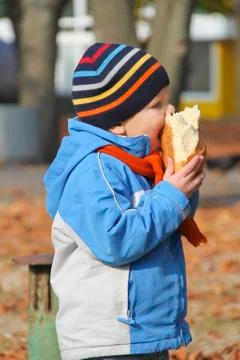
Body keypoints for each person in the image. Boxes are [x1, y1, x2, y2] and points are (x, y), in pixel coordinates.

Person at [43, 42, 205, 360]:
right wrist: (172, 195)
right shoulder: (92, 170)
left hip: (147, 332)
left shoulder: (143, 163)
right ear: (117, 122)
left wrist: (184, 185)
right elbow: (115, 240)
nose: (170, 111)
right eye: (157, 105)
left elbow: (170, 221)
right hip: (108, 338)